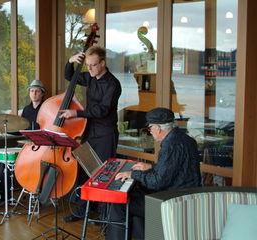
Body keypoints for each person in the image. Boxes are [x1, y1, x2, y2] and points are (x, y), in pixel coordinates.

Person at [105, 107, 201, 240]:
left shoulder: (170, 146)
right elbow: (172, 169)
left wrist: (132, 175)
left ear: (158, 128)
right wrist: (151, 167)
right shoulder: (184, 139)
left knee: (120, 203)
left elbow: (157, 182)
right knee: (136, 197)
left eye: (150, 128)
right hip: (184, 197)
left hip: (173, 203)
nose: (150, 132)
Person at [59, 46, 122, 222]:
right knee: (85, 171)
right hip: (89, 131)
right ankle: (82, 211)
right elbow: (69, 77)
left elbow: (102, 110)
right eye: (87, 65)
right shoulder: (90, 77)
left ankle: (103, 215)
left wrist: (76, 113)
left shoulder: (113, 84)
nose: (90, 69)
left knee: (102, 173)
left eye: (93, 65)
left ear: (102, 63)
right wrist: (70, 62)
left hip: (105, 133)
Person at [0, 79, 46, 201]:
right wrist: (6, 129)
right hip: (27, 147)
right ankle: (5, 197)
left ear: (42, 93)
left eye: (37, 91)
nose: (34, 93)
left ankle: (36, 193)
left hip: (42, 148)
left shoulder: (46, 108)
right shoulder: (26, 110)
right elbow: (21, 129)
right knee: (5, 162)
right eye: (31, 91)